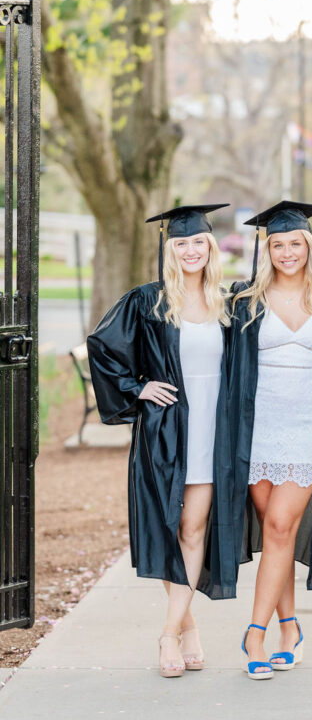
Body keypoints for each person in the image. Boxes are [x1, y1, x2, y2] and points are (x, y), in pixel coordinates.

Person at [87, 203, 235, 678]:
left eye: (198, 242)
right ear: (170, 249)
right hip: (166, 430)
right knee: (168, 528)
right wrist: (138, 387)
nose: (191, 250)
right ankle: (185, 628)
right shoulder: (147, 301)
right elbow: (102, 348)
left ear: (210, 247)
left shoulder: (227, 302)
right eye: (181, 243)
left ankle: (170, 632)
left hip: (212, 429)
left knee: (193, 529)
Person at [229, 201, 312, 680]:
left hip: (307, 430)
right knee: (276, 534)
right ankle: (290, 628)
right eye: (277, 244)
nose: (286, 252)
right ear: (267, 250)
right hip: (259, 428)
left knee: (279, 526)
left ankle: (254, 634)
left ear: (308, 246)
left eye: (294, 243)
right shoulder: (246, 300)